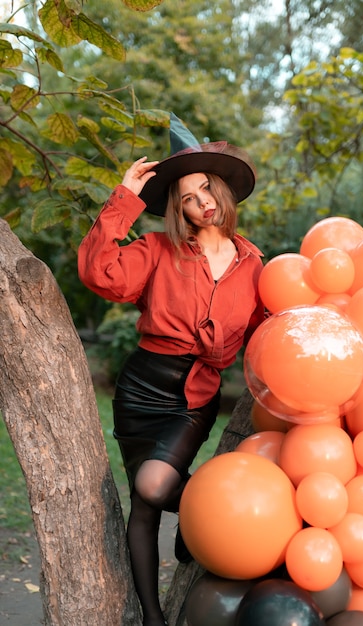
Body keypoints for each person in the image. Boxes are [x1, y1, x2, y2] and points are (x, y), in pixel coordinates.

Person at [77, 113, 265, 626]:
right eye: (186, 195)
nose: (200, 199)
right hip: (139, 392)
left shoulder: (255, 267)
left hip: (193, 398)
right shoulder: (157, 250)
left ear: (222, 190)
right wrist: (123, 198)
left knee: (156, 487)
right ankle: (154, 619)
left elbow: (266, 336)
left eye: (206, 187)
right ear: (178, 208)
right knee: (142, 503)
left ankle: (199, 514)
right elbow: (98, 271)